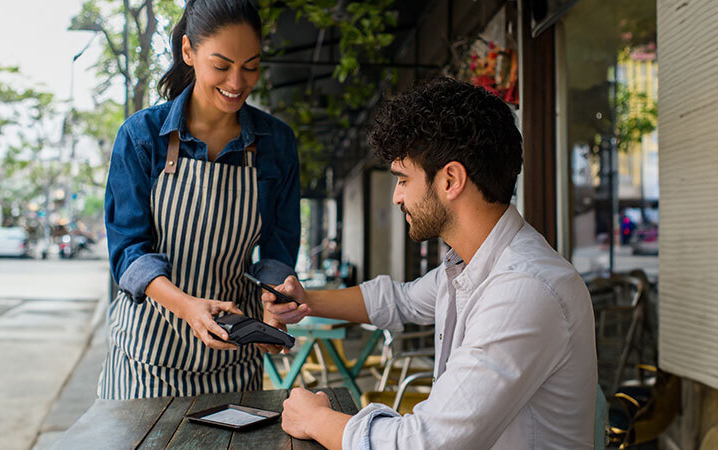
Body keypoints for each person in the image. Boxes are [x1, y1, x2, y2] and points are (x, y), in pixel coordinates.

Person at [264, 78, 598, 449]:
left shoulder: (525, 288)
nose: (397, 196)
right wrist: (304, 299)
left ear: (451, 179)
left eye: (404, 179)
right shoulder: (470, 265)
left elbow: (425, 443)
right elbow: (398, 300)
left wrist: (316, 419)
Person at [98, 0, 304, 400]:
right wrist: (188, 306)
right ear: (189, 52)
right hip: (146, 359)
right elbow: (128, 253)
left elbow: (278, 248)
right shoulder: (142, 136)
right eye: (222, 65)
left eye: (251, 65)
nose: (238, 82)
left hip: (234, 360)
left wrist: (275, 303)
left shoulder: (276, 143)